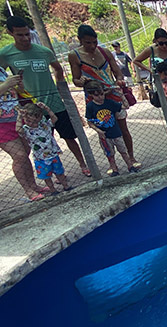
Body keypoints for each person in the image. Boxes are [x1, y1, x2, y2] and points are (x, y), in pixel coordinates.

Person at [0, 16, 91, 177]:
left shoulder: (43, 51)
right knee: (41, 142)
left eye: (27, 34)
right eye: (20, 35)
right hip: (30, 107)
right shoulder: (5, 54)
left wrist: (59, 85)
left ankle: (83, 164)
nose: (25, 38)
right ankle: (55, 174)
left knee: (70, 136)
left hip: (54, 102)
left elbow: (57, 68)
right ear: (10, 33)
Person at [68, 24, 141, 169]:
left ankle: (131, 157)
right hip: (95, 98)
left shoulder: (105, 52)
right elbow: (75, 79)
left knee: (122, 128)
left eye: (94, 42)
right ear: (80, 40)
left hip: (112, 94)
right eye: (88, 42)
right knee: (104, 131)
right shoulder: (74, 56)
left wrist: (119, 79)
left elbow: (117, 71)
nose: (92, 45)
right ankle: (112, 164)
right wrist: (80, 81)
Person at [0, 66, 48, 200]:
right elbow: (4, 87)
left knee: (26, 152)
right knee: (19, 155)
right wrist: (5, 85)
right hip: (1, 125)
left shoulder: (1, 70)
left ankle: (33, 185)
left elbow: (13, 92)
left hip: (16, 117)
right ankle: (28, 190)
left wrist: (18, 86)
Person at [84, 81, 138, 176]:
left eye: (102, 94)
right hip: (104, 135)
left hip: (116, 132)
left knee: (123, 151)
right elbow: (89, 122)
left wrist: (121, 96)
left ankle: (130, 165)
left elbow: (126, 106)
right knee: (110, 154)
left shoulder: (109, 103)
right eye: (97, 95)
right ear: (91, 95)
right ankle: (114, 168)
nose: (100, 97)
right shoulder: (90, 106)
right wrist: (98, 130)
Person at [16, 102, 71, 193]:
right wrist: (19, 116)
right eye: (28, 121)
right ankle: (53, 190)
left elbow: (54, 118)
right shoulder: (27, 129)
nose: (32, 124)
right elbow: (18, 129)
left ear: (40, 118)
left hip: (53, 154)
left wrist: (47, 108)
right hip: (40, 158)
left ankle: (66, 186)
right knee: (46, 176)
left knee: (59, 172)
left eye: (34, 121)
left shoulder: (44, 125)